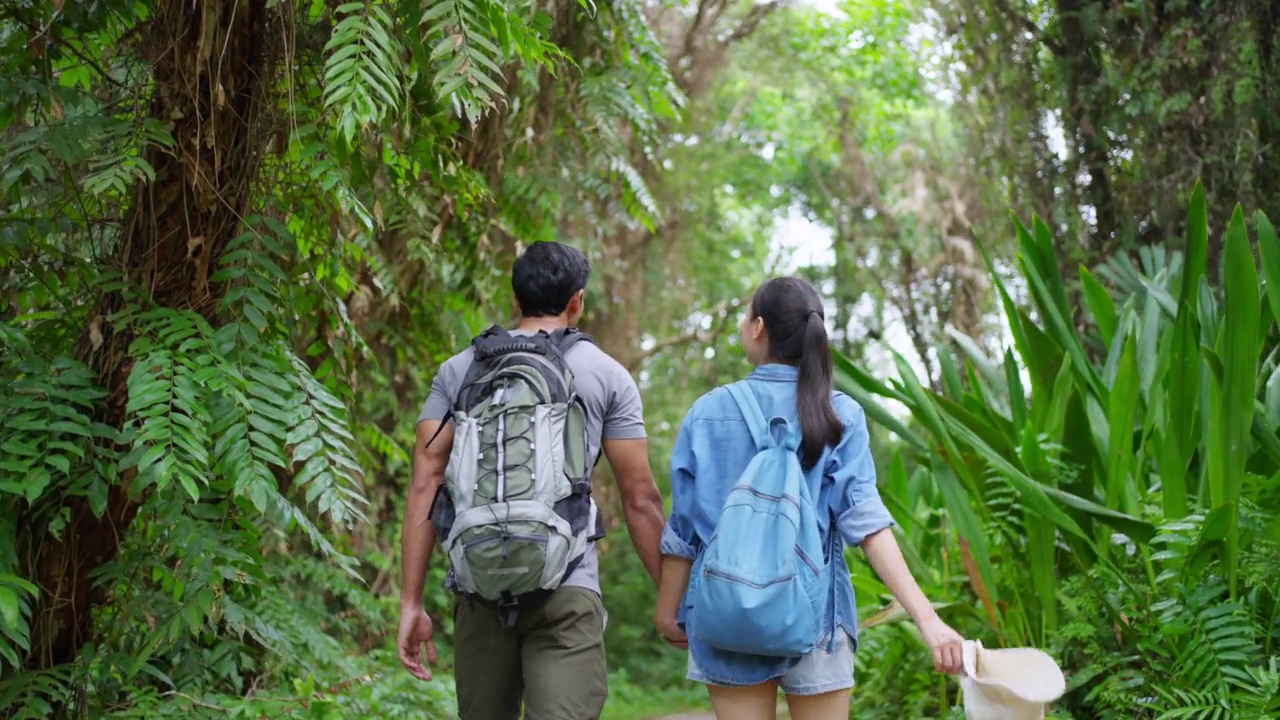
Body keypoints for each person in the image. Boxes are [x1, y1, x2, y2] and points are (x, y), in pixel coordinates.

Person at [652, 277, 965, 720]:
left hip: (727, 616)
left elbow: (684, 527)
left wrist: (668, 610)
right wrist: (927, 619)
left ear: (757, 327)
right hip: (818, 618)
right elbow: (867, 525)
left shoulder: (707, 413)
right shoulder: (839, 414)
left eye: (746, 318)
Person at [398, 241, 667, 720]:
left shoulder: (458, 370)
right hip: (567, 583)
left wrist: (411, 603)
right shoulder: (606, 375)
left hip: (478, 583)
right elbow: (641, 498)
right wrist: (673, 597)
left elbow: (425, 484)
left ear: (515, 299)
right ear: (577, 301)